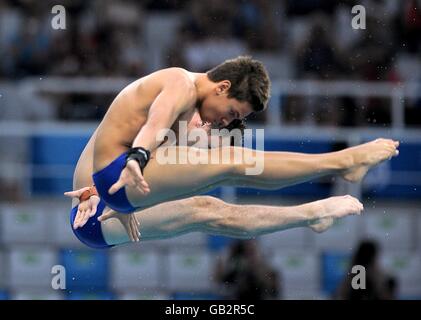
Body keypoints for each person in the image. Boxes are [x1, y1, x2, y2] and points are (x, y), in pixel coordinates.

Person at [65, 56, 399, 249]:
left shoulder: (198, 120)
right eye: (232, 113)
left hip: (119, 195)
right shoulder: (179, 84)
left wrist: (127, 194)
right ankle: (344, 162)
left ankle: (312, 215)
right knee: (230, 164)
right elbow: (153, 124)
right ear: (222, 87)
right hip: (96, 204)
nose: (227, 121)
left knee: (211, 208)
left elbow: (171, 159)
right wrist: (113, 178)